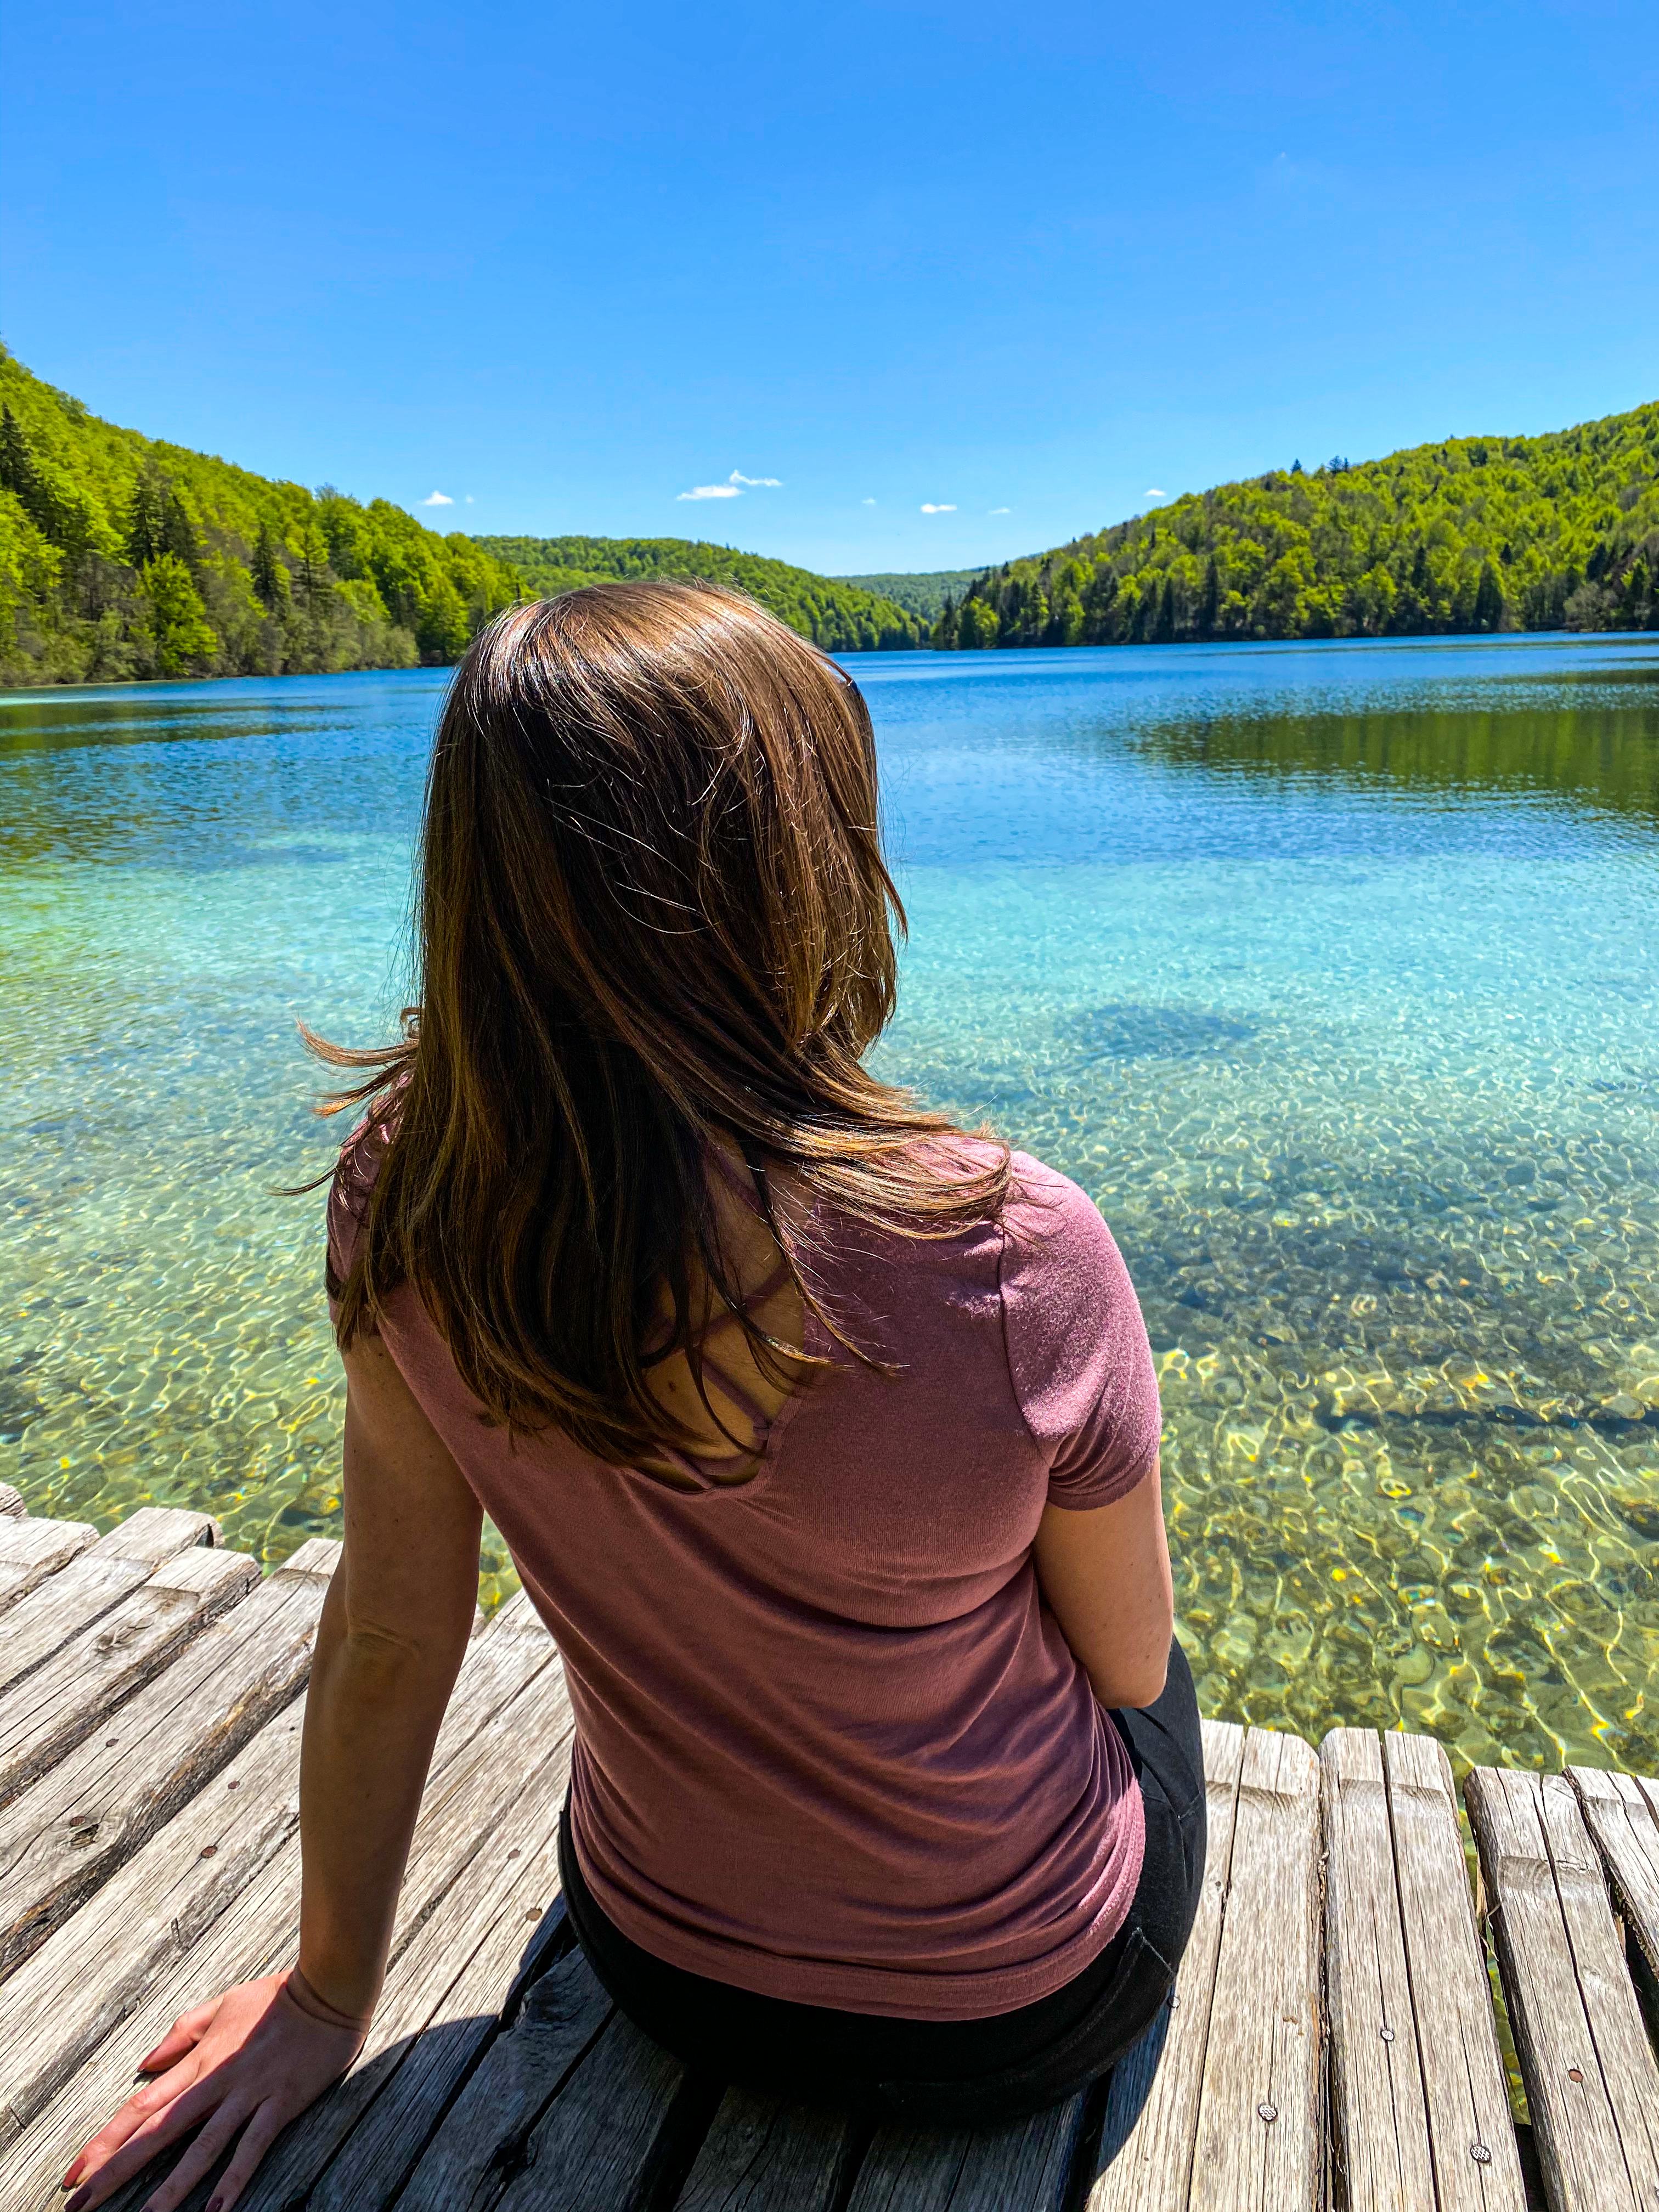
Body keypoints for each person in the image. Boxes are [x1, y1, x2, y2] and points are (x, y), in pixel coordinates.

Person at [64, 582, 1205, 2212]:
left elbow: (392, 1624)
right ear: (802, 871)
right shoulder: (1008, 1245)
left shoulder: (408, 1200)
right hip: (1014, 2018)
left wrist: (325, 1999)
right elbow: (1124, 1658)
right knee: (1166, 1669)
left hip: (663, 1972)